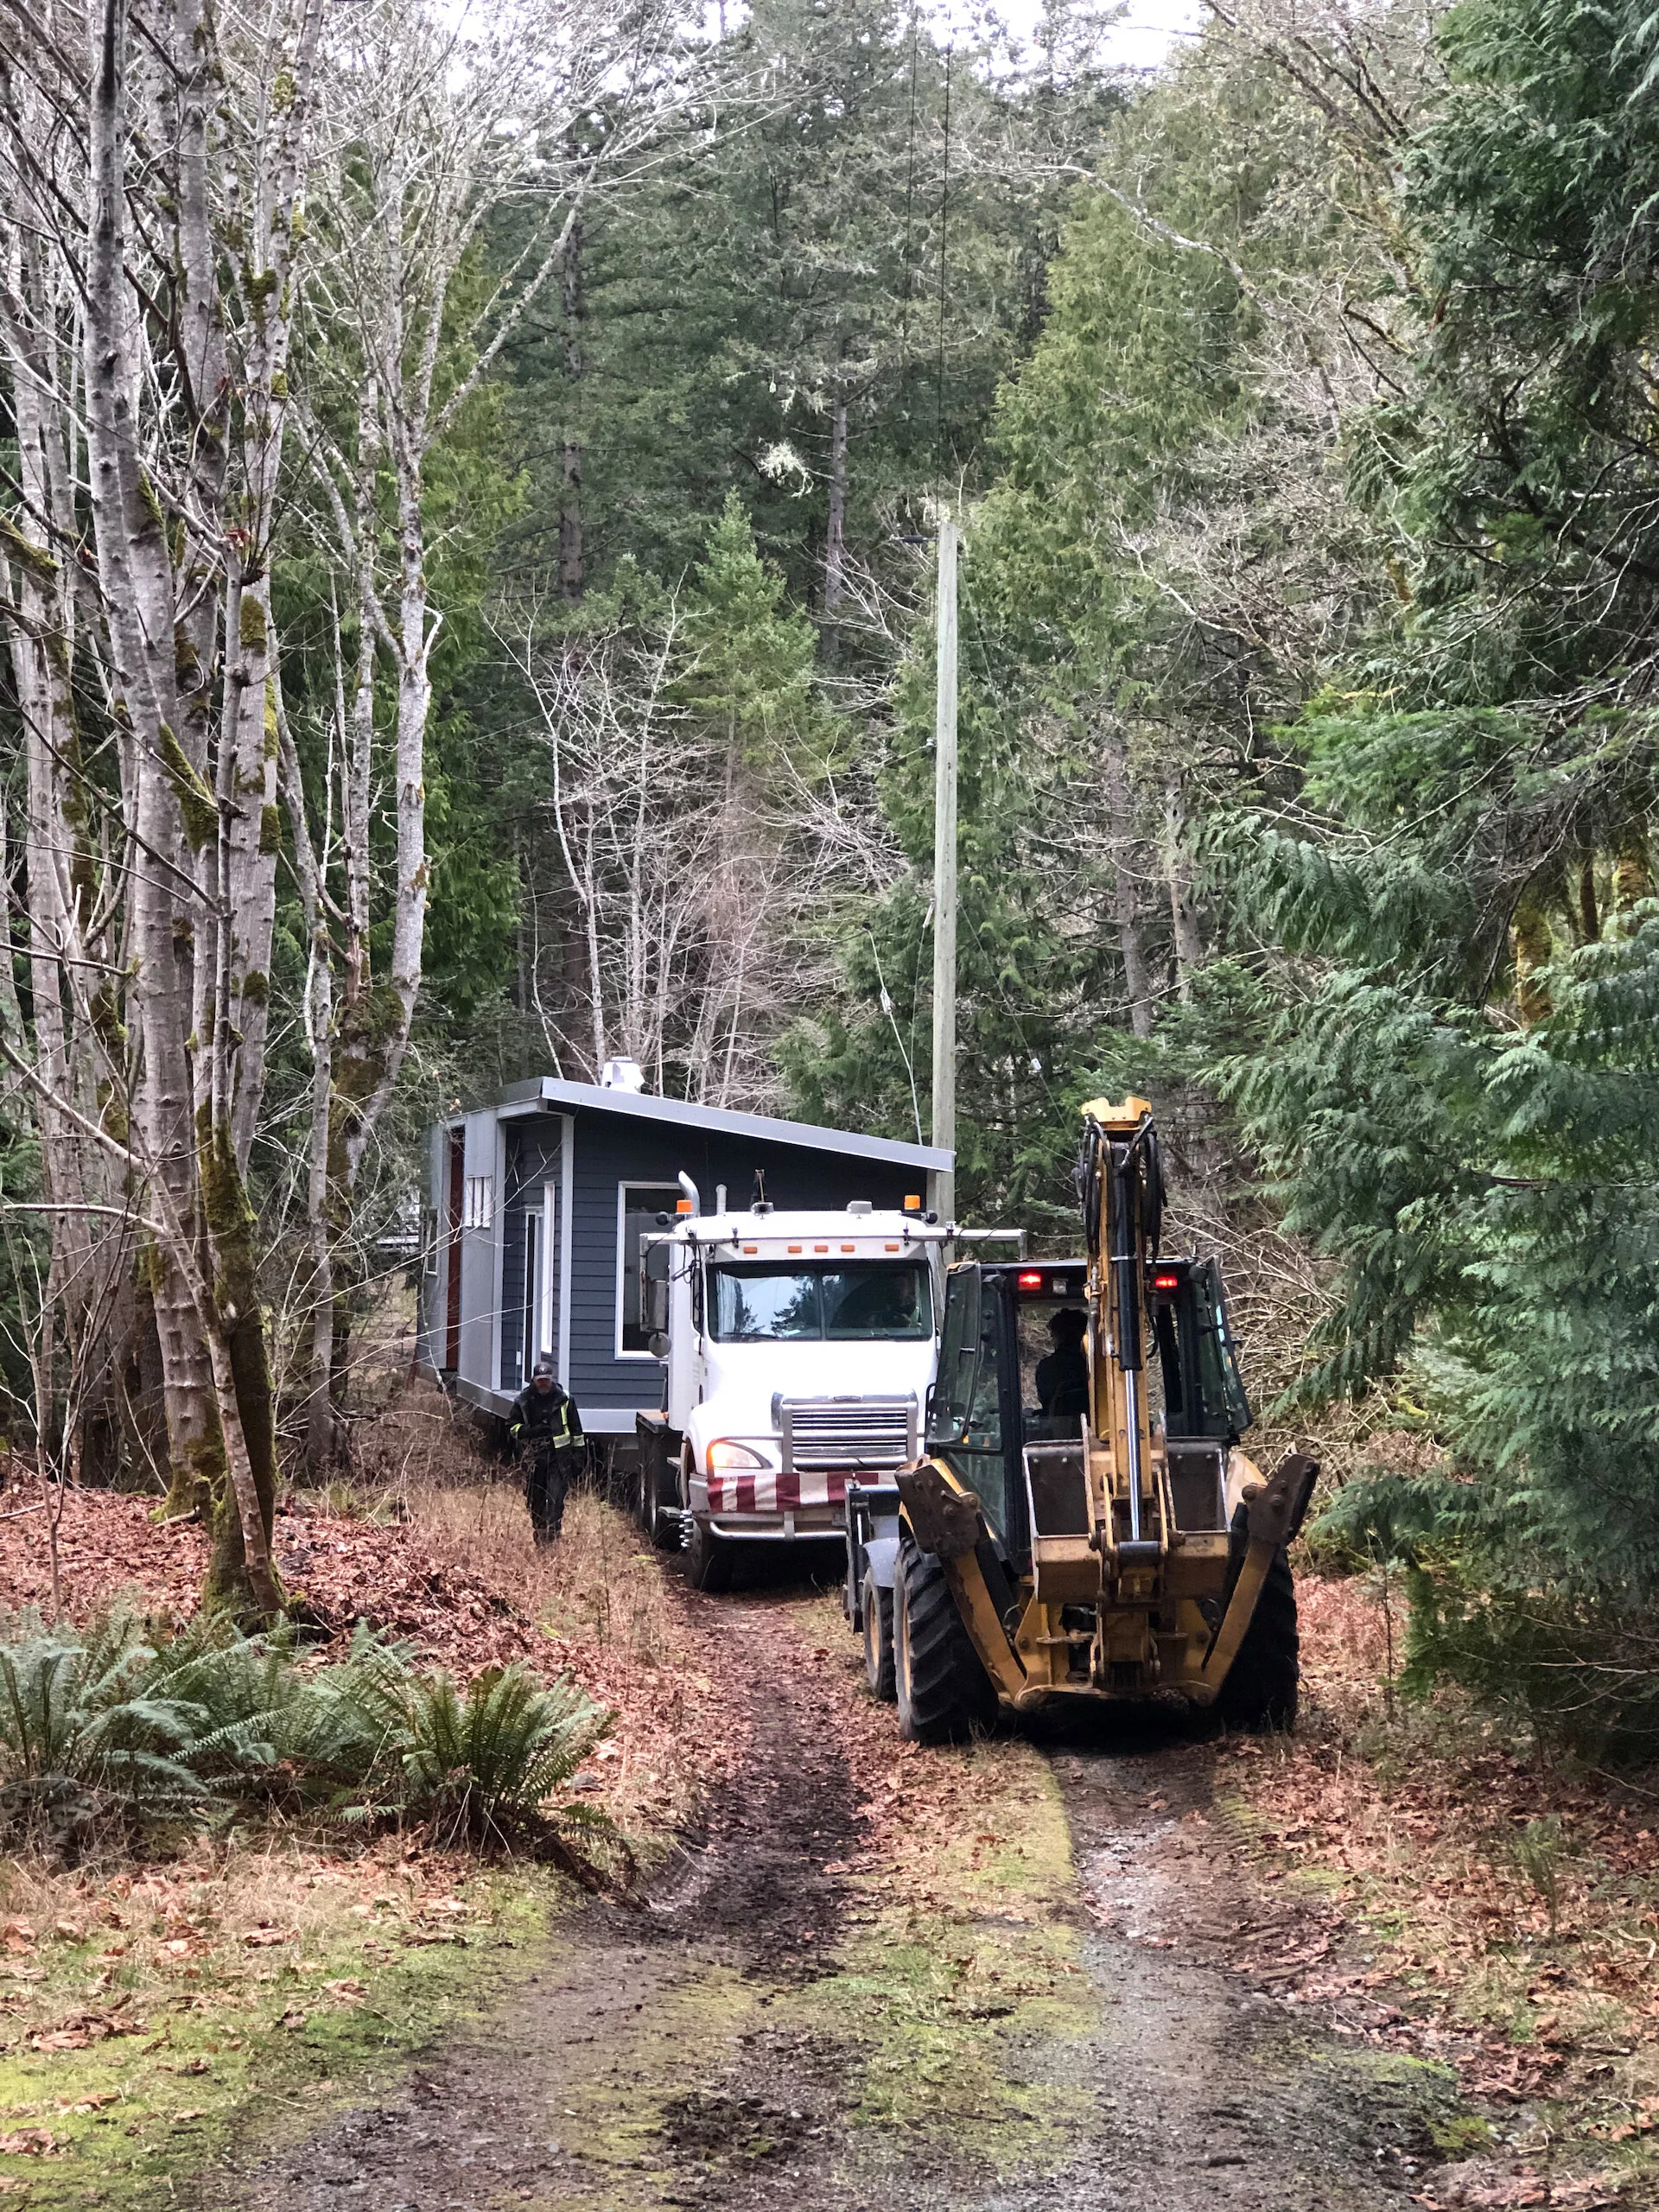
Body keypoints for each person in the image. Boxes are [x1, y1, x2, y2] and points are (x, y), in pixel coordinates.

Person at [507, 1359, 585, 1543]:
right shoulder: (523, 1400)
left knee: (556, 1499)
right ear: (534, 1380)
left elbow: (577, 1430)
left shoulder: (565, 1400)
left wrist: (579, 1458)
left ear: (552, 1380)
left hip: (559, 1458)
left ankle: (553, 1537)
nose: (543, 1384)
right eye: (540, 1380)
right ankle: (540, 1534)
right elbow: (512, 1427)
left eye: (546, 1380)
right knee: (536, 1500)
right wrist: (531, 1432)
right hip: (534, 1458)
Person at [1035, 1307, 1090, 1421]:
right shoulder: (1095, 1367)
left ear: (1060, 1336)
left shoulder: (1047, 1367)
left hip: (1057, 1430)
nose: (1052, 1338)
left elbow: (1045, 1400)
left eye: (1053, 1334)